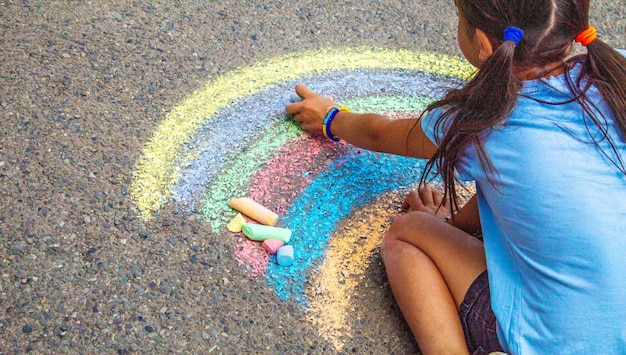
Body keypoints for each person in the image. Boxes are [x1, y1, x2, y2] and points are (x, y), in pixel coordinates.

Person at [285, 0, 626, 353]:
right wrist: (454, 223)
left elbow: (377, 133)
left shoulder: (484, 121)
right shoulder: (617, 74)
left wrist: (330, 118)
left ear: (482, 43)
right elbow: (534, 188)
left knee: (408, 232)